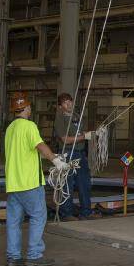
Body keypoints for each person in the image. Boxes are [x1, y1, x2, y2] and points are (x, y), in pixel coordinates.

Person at [5, 92, 62, 266]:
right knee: (38, 216)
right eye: (30, 107)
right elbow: (40, 146)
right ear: (27, 108)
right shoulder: (29, 126)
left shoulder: (10, 129)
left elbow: (25, 152)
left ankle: (13, 257)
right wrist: (56, 160)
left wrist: (51, 155)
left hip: (13, 184)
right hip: (29, 183)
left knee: (14, 222)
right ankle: (34, 255)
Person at [53, 92, 93, 221]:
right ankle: (66, 213)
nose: (69, 104)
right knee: (67, 184)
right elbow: (65, 139)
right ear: (60, 106)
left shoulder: (76, 116)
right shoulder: (60, 118)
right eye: (65, 102)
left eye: (70, 101)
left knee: (84, 183)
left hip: (81, 153)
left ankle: (86, 211)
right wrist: (83, 137)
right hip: (68, 154)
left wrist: (93, 134)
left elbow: (81, 133)